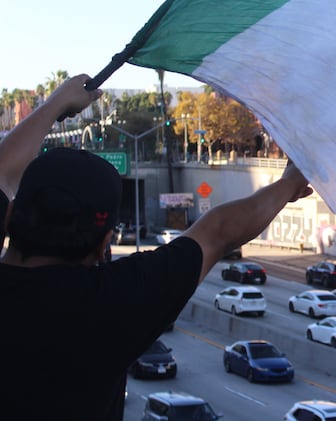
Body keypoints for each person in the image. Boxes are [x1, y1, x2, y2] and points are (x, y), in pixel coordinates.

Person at [0, 74, 311, 420]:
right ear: (105, 243)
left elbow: (2, 171)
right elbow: (218, 233)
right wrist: (290, 184)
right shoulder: (111, 302)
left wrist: (56, 102)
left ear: (10, 213)